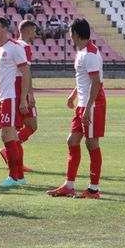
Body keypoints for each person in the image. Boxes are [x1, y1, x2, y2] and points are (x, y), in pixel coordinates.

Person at [46, 18, 106, 199]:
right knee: (72, 141)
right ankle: (69, 185)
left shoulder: (90, 54)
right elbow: (84, 79)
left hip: (93, 105)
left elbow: (96, 83)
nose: (69, 35)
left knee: (91, 143)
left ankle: (94, 189)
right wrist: (74, 95)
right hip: (83, 104)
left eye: (70, 32)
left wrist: (88, 108)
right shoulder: (81, 52)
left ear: (76, 34)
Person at [0, 17, 30, 187]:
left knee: (6, 136)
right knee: (13, 137)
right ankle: (20, 177)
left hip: (11, 97)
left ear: (5, 30)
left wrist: (23, 99)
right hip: (2, 98)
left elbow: (26, 73)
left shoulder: (15, 48)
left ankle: (13, 177)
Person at [0, 20, 39, 168]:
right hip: (20, 91)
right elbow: (25, 73)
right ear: (29, 31)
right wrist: (30, 95)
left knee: (15, 127)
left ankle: (15, 160)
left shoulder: (12, 45)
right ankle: (9, 152)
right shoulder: (24, 47)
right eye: (34, 31)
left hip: (11, 90)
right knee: (32, 126)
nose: (35, 34)